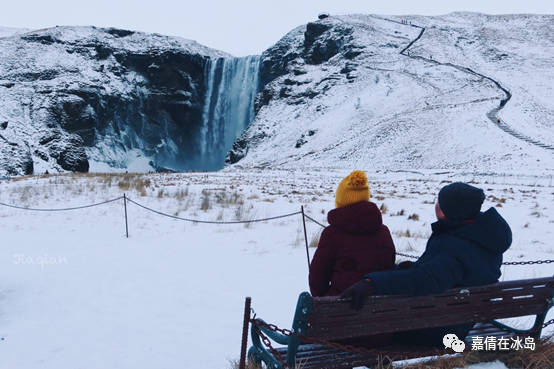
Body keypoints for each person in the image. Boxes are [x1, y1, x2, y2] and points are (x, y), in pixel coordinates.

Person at [340, 182, 512, 346]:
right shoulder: (481, 237)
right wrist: (417, 267)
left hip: (435, 329)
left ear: (451, 210)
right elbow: (449, 273)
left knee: (369, 319)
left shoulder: (454, 246)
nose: (436, 205)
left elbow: (424, 280)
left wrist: (373, 283)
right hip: (459, 319)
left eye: (440, 202)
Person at [309, 170, 396, 297]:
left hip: (339, 311)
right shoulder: (383, 232)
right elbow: (389, 267)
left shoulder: (332, 235)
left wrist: (327, 300)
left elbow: (317, 280)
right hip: (382, 311)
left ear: (340, 201)